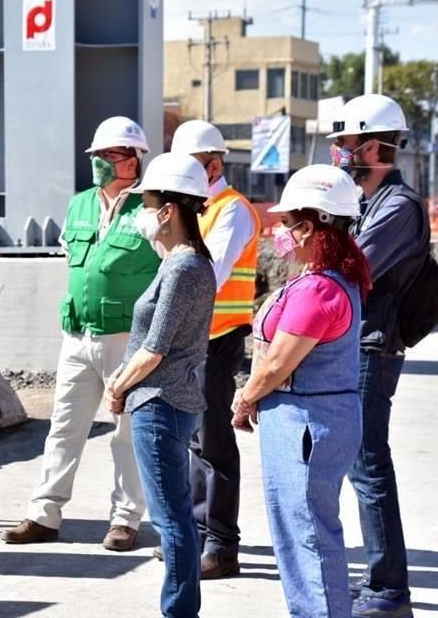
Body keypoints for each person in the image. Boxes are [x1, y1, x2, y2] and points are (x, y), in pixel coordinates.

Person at [1, 117, 157, 551]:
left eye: (111, 155)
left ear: (134, 159)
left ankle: (125, 520)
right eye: (97, 155)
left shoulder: (150, 207)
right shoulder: (79, 204)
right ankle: (43, 513)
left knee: (126, 432)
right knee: (64, 427)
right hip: (77, 335)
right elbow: (74, 259)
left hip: (127, 338)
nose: (102, 163)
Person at [232, 165, 372, 617]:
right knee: (299, 533)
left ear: (310, 225)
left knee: (308, 537)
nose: (280, 230)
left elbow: (277, 363)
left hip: (306, 423)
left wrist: (244, 396)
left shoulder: (319, 290)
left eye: (287, 221)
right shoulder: (324, 280)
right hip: (302, 419)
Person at [327, 94, 427, 618]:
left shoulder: (398, 207)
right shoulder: (365, 203)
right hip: (351, 345)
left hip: (373, 349)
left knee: (368, 466)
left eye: (345, 144)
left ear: (373, 144)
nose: (340, 153)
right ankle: (380, 582)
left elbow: (351, 269)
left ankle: (390, 589)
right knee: (356, 465)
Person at [105, 152, 216, 617]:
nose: (141, 215)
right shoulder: (180, 262)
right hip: (170, 400)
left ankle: (178, 610)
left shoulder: (184, 267)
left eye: (147, 205)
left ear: (169, 211)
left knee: (172, 523)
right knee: (175, 520)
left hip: (161, 402)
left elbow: (155, 348)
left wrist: (117, 387)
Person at [168, 120, 259, 578]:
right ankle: (198, 535)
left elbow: (208, 274)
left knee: (214, 443)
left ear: (214, 164)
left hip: (218, 339)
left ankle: (221, 544)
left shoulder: (231, 210)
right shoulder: (195, 208)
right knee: (192, 441)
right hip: (189, 341)